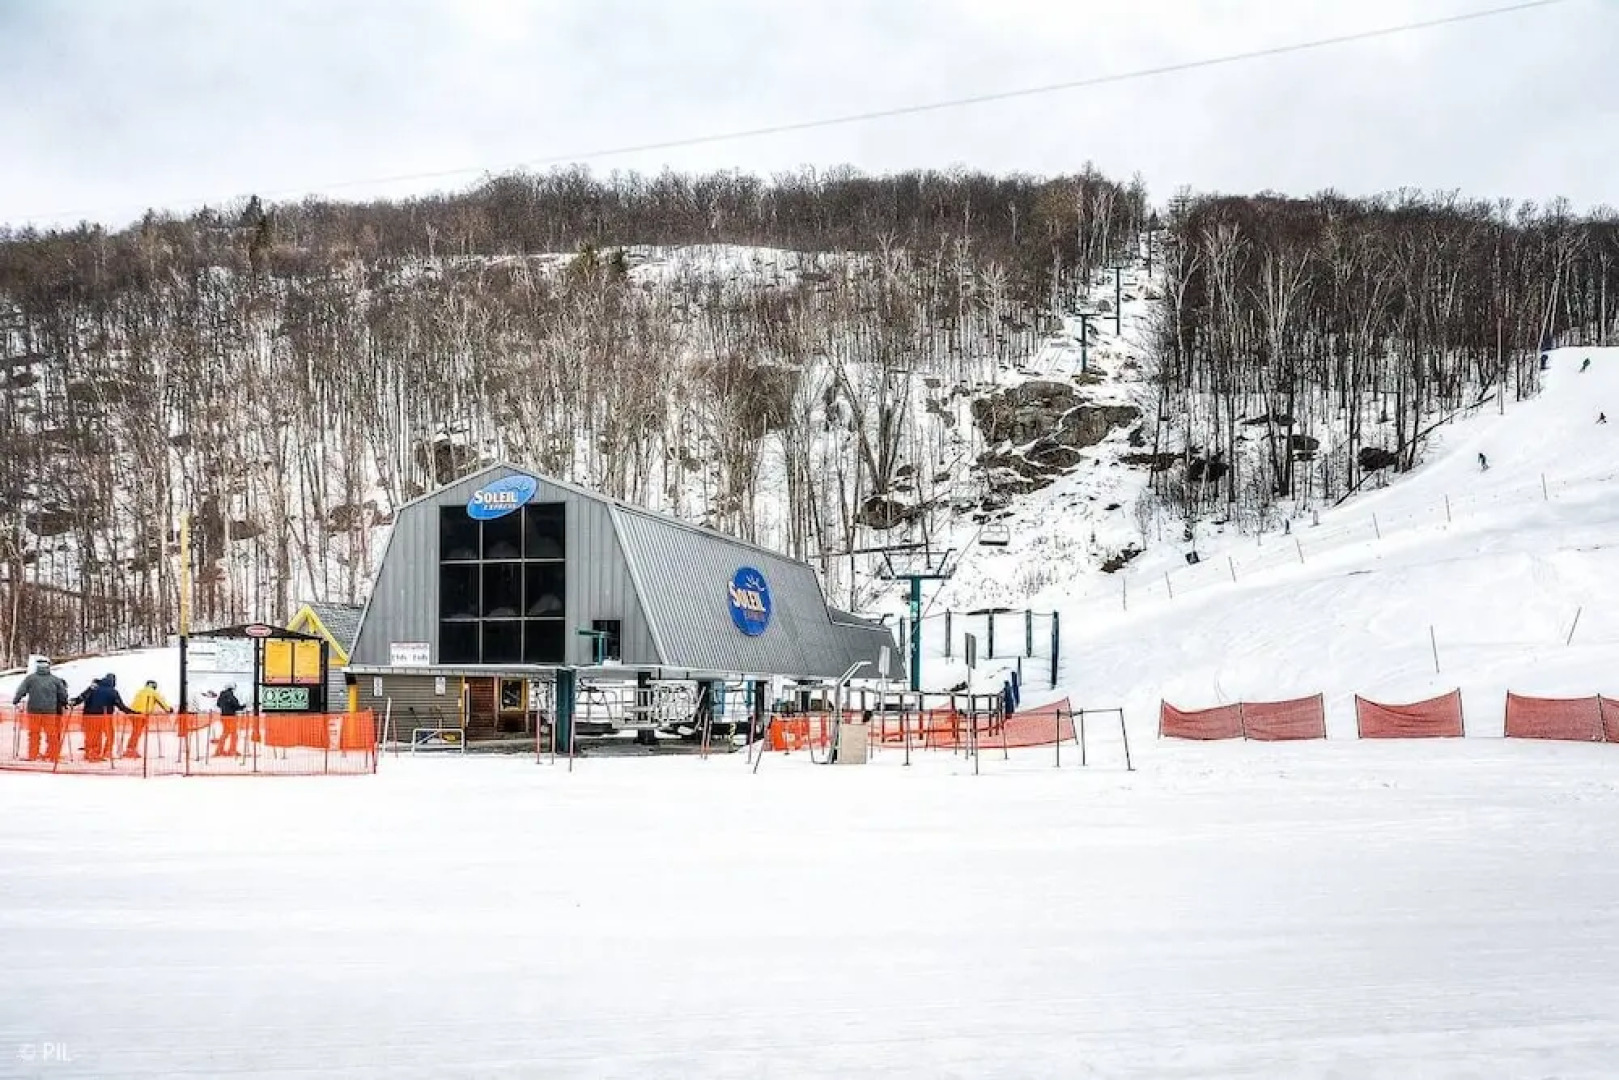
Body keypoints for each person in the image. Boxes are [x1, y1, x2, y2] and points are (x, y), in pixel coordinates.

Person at [12, 658, 69, 761]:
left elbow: (21, 690)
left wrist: (16, 700)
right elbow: (62, 694)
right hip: (50, 711)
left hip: (34, 711)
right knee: (51, 734)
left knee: (34, 733)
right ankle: (53, 756)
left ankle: (33, 755)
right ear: (48, 667)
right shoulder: (55, 680)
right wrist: (64, 703)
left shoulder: (30, 679)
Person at [75, 673, 135, 762]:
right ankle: (105, 752)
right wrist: (132, 713)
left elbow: (81, 698)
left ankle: (90, 753)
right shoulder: (112, 691)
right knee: (110, 735)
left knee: (92, 735)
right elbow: (120, 706)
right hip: (104, 717)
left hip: (89, 716)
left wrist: (73, 702)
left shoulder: (93, 688)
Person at [123, 679, 172, 759]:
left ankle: (130, 749)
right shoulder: (153, 692)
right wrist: (169, 709)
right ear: (154, 686)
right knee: (136, 732)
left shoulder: (140, 691)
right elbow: (162, 702)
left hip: (132, 713)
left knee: (135, 732)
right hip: (141, 714)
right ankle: (130, 750)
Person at [213, 683, 244, 757]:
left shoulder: (222, 696)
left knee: (225, 733)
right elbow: (236, 706)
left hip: (224, 717)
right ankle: (232, 750)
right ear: (232, 688)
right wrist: (243, 706)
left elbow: (218, 704)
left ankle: (219, 750)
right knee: (234, 734)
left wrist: (226, 707)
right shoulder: (230, 695)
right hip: (231, 717)